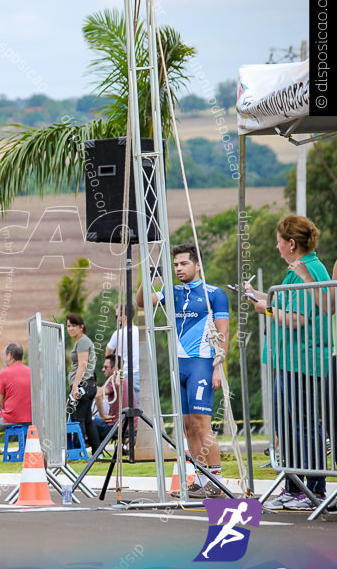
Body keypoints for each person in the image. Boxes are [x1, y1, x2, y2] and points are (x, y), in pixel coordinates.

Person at [245, 215, 331, 511]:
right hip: (289, 360)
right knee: (287, 425)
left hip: (303, 360)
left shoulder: (310, 269)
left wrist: (266, 308)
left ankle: (313, 489)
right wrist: (256, 295)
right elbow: (283, 304)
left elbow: (297, 318)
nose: (277, 246)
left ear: (291, 243)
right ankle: (294, 487)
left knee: (303, 424)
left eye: (279, 241)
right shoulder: (296, 271)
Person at [138, 242, 229, 499]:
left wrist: (218, 369)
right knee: (188, 426)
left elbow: (223, 333)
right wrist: (149, 274)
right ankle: (201, 480)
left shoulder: (214, 293)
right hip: (180, 367)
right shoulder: (172, 292)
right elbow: (143, 302)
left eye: (184, 263)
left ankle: (217, 480)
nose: (179, 268)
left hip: (202, 363)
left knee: (202, 424)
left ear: (197, 265)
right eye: (175, 264)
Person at [64, 313, 99, 454]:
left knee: (78, 419)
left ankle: (79, 452)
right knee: (87, 420)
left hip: (83, 385)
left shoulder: (83, 341)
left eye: (73, 326)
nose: (70, 329)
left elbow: (83, 364)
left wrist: (75, 386)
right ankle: (98, 451)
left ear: (81, 327)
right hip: (89, 384)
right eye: (68, 326)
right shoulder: (81, 341)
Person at [92, 355, 133, 448]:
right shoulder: (124, 381)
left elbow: (99, 395)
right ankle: (125, 444)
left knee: (88, 421)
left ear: (114, 368)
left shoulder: (114, 380)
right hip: (129, 426)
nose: (103, 369)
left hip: (115, 427)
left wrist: (103, 416)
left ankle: (94, 449)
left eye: (106, 367)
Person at [106, 302, 142, 397]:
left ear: (124, 317)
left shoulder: (117, 333)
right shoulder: (140, 332)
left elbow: (108, 352)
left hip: (124, 374)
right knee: (137, 406)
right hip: (139, 374)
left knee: (123, 407)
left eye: (117, 316)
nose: (117, 319)